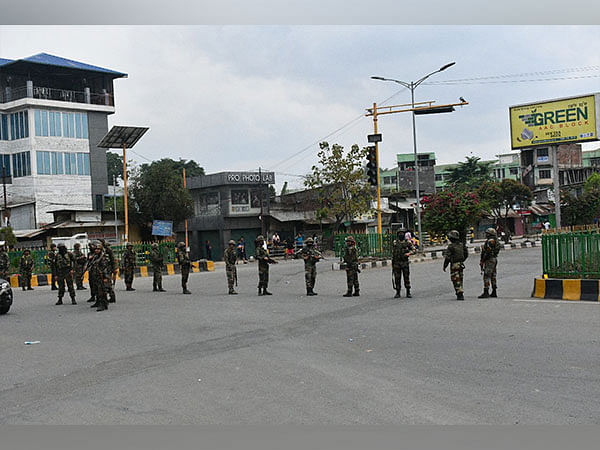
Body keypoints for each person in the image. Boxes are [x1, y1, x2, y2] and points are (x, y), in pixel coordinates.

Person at [443, 230, 469, 301]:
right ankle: (460, 291)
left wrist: (445, 266)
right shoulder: (461, 245)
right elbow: (466, 254)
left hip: (454, 264)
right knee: (460, 278)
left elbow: (447, 257)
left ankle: (459, 293)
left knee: (455, 279)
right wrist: (462, 260)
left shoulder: (451, 246)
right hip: (461, 264)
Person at [88, 241, 112, 312]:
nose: (96, 250)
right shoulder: (95, 256)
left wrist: (105, 277)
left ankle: (103, 304)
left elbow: (105, 268)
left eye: (98, 249)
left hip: (102, 276)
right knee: (96, 290)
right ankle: (98, 302)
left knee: (102, 291)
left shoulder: (103, 258)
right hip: (96, 276)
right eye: (95, 249)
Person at [478, 227, 502, 298]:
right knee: (493, 275)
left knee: (486, 275)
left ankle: (486, 292)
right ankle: (494, 291)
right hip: (494, 259)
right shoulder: (495, 240)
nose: (486, 235)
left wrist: (483, 260)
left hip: (489, 260)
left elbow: (487, 252)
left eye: (487, 234)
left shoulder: (490, 241)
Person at [392, 229, 415, 298]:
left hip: (404, 262)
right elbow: (393, 253)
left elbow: (414, 249)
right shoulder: (395, 243)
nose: (401, 235)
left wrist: (409, 253)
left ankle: (408, 291)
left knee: (406, 277)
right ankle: (398, 292)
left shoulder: (407, 242)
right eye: (399, 233)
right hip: (397, 263)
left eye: (402, 233)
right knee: (397, 278)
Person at [99, 239, 117, 303]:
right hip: (102, 269)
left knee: (107, 283)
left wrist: (114, 268)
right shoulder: (100, 250)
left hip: (108, 269)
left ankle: (112, 296)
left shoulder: (108, 250)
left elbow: (113, 259)